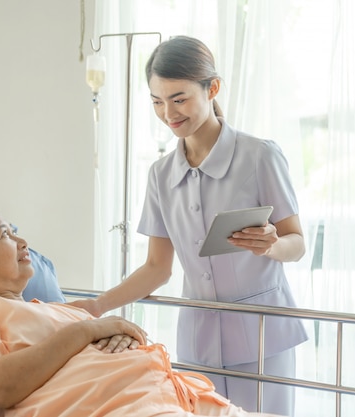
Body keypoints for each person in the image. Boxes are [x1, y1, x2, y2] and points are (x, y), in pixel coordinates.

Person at [70, 36, 308, 416]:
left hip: (264, 336)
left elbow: (297, 243)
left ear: (212, 88)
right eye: (157, 101)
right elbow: (157, 269)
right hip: (198, 341)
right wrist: (96, 306)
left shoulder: (259, 155)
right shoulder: (161, 175)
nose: (168, 113)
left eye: (179, 98)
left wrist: (272, 245)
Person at [0, 199, 277, 417]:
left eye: (15, 231)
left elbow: (96, 319)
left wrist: (116, 333)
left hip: (182, 399)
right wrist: (87, 331)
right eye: (4, 235)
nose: (22, 241)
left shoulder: (50, 309)